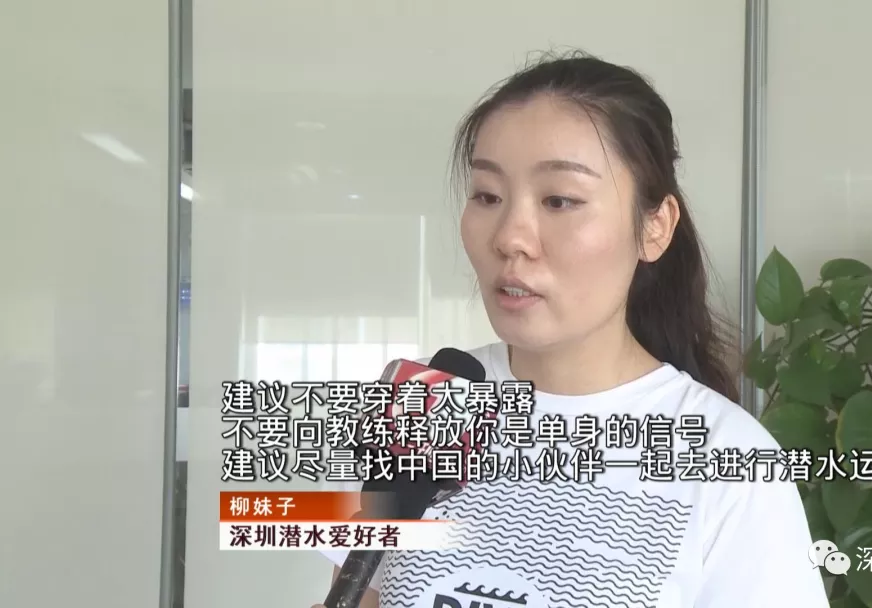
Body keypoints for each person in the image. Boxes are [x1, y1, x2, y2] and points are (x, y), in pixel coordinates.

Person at [317, 50, 829, 608]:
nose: (510, 236)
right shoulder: (418, 404)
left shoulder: (729, 462)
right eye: (487, 196)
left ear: (654, 227)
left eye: (560, 200)